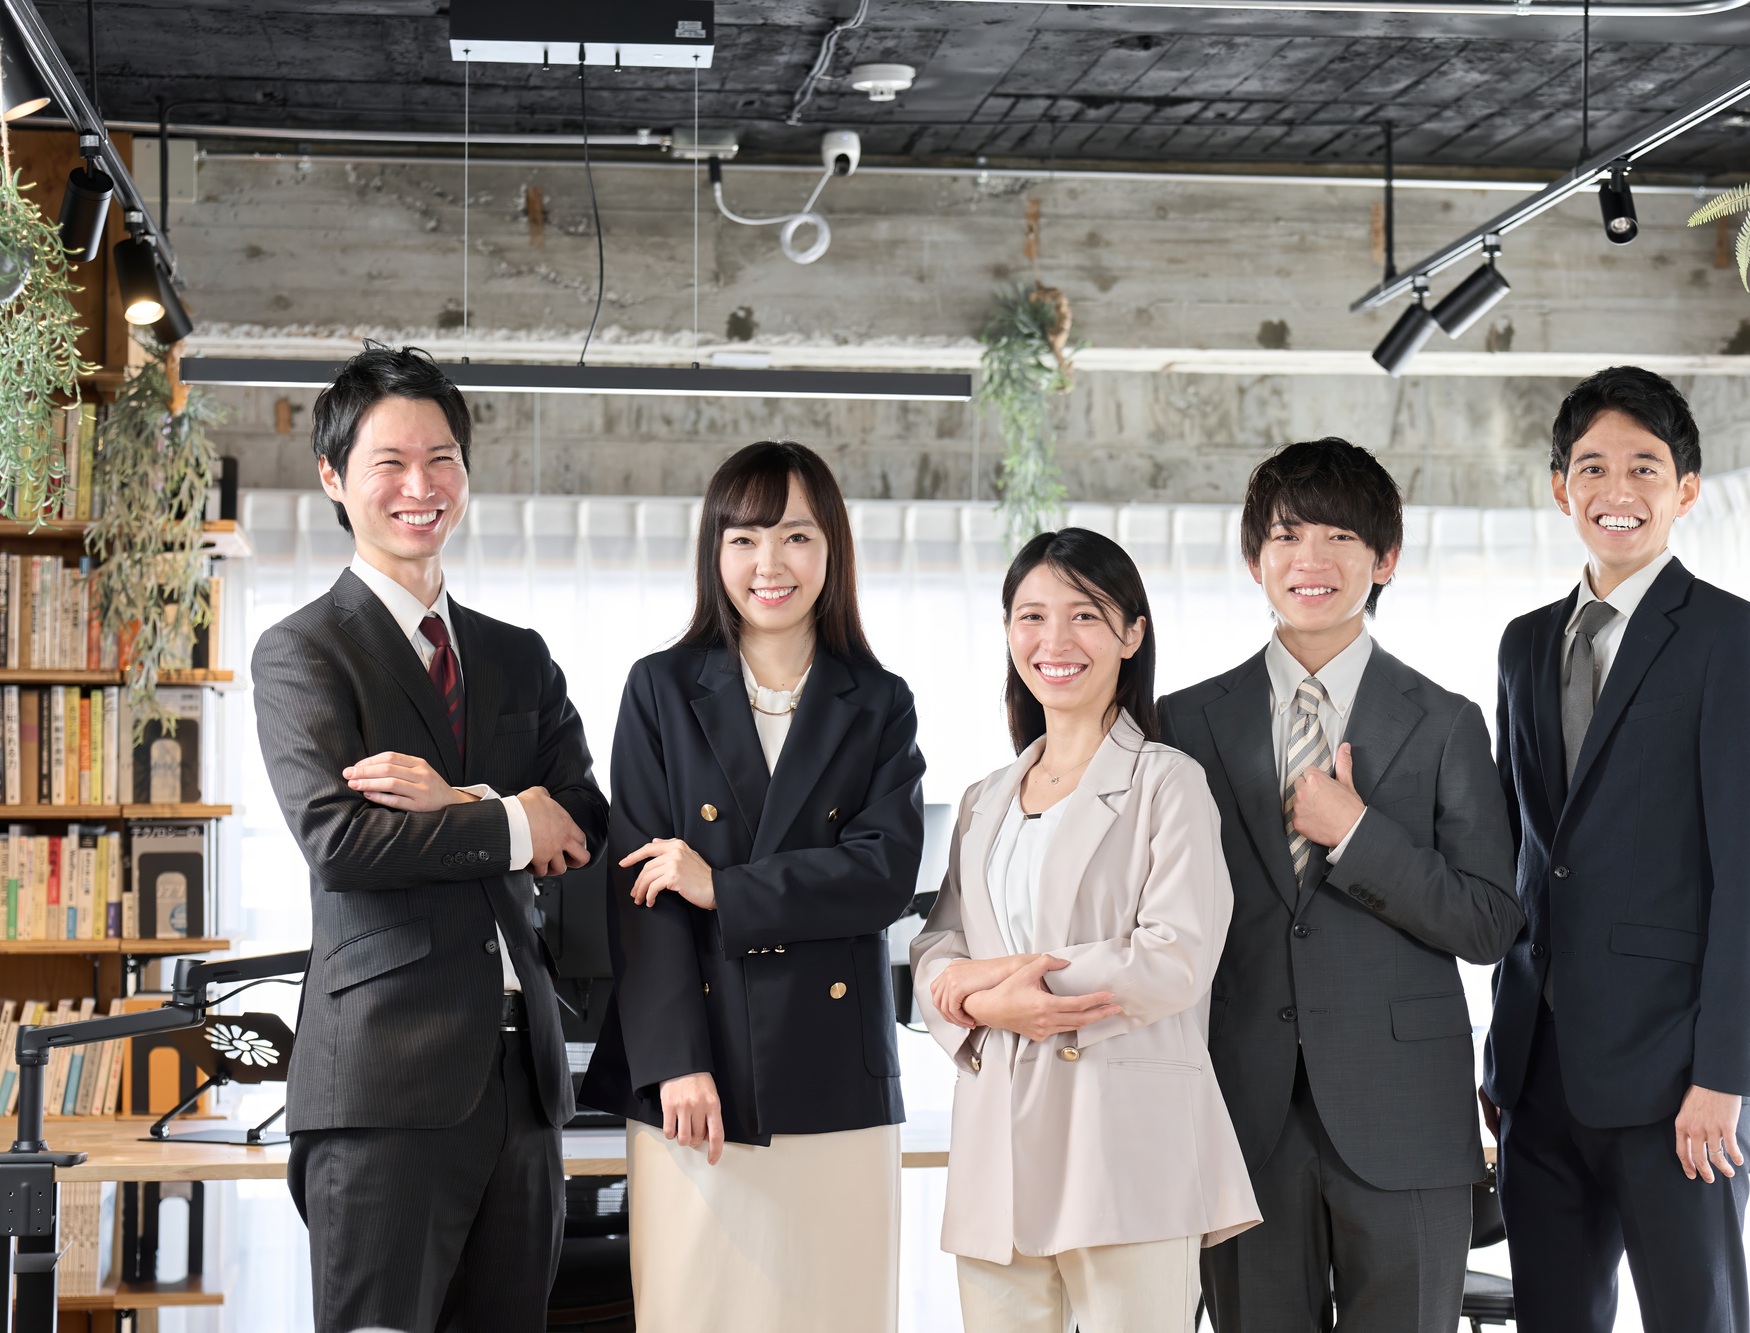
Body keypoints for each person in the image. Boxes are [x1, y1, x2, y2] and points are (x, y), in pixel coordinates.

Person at [253, 344, 608, 1333]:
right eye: (389, 464)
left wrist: (462, 799)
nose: (421, 487)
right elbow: (340, 841)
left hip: (522, 1089)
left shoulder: (514, 656)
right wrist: (507, 817)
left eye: (441, 458)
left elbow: (580, 822)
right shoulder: (304, 650)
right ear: (334, 477)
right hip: (382, 1085)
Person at [1158, 439, 1525, 1333]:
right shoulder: (1182, 722)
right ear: (1255, 559)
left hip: (1405, 1121)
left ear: (1384, 559)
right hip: (1241, 1118)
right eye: (1287, 536)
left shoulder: (1446, 724)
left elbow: (1488, 920)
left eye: (1338, 535)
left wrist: (1357, 833)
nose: (1310, 560)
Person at [578, 441, 925, 1333]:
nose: (769, 564)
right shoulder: (659, 689)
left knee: (836, 1312)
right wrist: (675, 1062)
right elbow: (640, 893)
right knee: (697, 1310)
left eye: (796, 536)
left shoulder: (879, 700)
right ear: (715, 552)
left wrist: (722, 886)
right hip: (699, 1077)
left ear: (832, 550)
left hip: (834, 1078)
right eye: (744, 538)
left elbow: (883, 874)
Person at [1481, 366, 1750, 1333]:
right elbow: (1522, 857)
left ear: (1686, 490)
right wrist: (1502, 1060)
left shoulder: (1731, 638)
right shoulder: (1524, 645)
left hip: (1678, 1085)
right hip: (1536, 1082)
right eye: (1592, 467)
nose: (1616, 491)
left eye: (1644, 468)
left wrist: (1726, 1074)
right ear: (1559, 486)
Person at [912, 527, 1260, 1333]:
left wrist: (1010, 991)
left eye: (1086, 615)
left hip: (1124, 1143)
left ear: (1132, 633)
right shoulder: (984, 798)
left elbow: (1174, 954)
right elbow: (939, 943)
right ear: (1008, 633)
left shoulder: (1167, 783)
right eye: (1031, 616)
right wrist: (978, 1001)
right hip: (1000, 1142)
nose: (1055, 641)